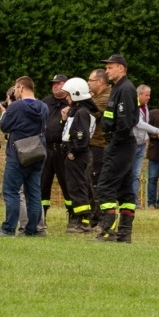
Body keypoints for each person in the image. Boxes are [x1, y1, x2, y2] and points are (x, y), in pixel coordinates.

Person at [0, 76, 48, 237]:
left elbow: (4, 126)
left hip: (18, 154)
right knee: (34, 193)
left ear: (22, 88)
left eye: (16, 88)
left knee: (11, 191)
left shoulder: (16, 106)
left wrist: (7, 110)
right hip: (37, 153)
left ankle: (8, 228)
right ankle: (32, 229)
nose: (15, 91)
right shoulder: (43, 107)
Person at [95, 54, 139, 243]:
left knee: (105, 185)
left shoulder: (126, 89)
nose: (107, 71)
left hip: (120, 144)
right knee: (125, 189)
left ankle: (107, 232)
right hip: (123, 144)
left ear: (121, 68)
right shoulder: (119, 88)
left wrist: (113, 144)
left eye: (110, 67)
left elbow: (125, 122)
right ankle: (124, 233)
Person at [60, 77, 99, 233]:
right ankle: (81, 218)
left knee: (78, 187)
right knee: (75, 186)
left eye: (68, 94)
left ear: (76, 94)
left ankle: (83, 221)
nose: (66, 97)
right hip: (74, 153)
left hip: (77, 154)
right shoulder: (77, 111)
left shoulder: (81, 112)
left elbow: (81, 137)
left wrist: (73, 152)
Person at [40, 74, 71, 230]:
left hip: (63, 150)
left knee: (67, 184)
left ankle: (73, 216)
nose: (55, 86)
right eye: (53, 84)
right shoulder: (45, 102)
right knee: (43, 184)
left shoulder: (71, 102)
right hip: (46, 149)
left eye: (59, 83)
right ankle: (41, 217)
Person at [132, 84, 159, 208]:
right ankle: (130, 201)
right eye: (147, 95)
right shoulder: (133, 105)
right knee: (130, 174)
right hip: (131, 144)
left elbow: (146, 123)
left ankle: (135, 203)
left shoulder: (145, 106)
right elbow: (140, 124)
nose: (149, 97)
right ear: (139, 95)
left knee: (136, 175)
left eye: (149, 95)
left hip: (141, 144)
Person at [87, 68, 111, 228]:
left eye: (90, 81)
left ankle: (103, 218)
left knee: (97, 182)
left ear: (100, 82)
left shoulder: (106, 98)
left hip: (100, 146)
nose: (88, 83)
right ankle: (95, 216)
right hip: (92, 145)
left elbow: (90, 112)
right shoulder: (95, 97)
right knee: (89, 181)